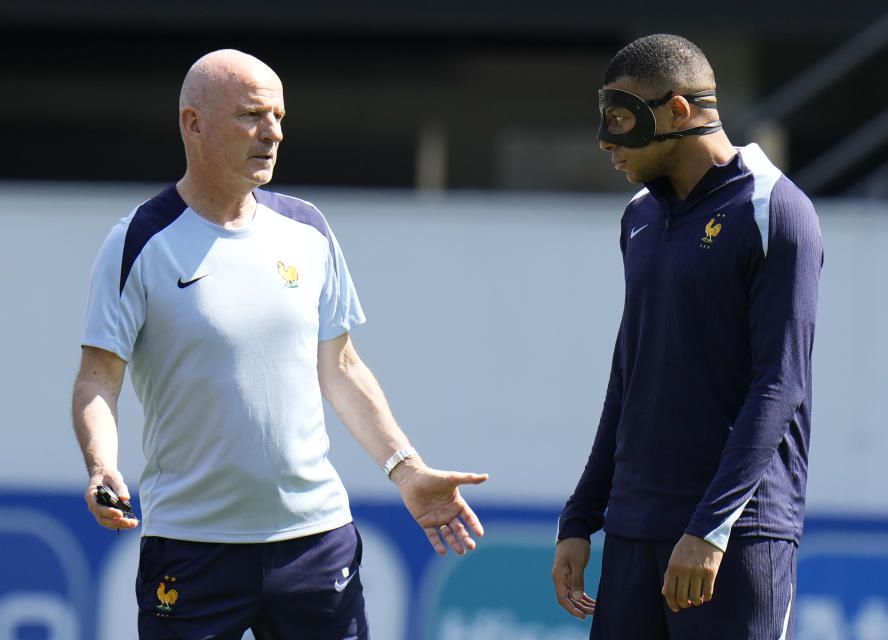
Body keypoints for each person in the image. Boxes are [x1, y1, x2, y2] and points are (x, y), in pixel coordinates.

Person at [72, 48, 488, 639]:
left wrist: (406, 470)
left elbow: (341, 366)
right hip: (191, 547)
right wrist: (102, 467)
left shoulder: (307, 229)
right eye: (250, 115)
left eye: (279, 117)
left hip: (316, 543)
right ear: (193, 123)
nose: (272, 133)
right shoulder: (138, 240)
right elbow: (98, 379)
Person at [550, 34, 822, 639]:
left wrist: (710, 527)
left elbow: (779, 386)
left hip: (735, 541)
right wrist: (581, 517)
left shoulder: (775, 209)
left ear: (678, 112)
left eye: (622, 120)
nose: (606, 141)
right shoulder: (639, 217)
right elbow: (629, 375)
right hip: (632, 531)